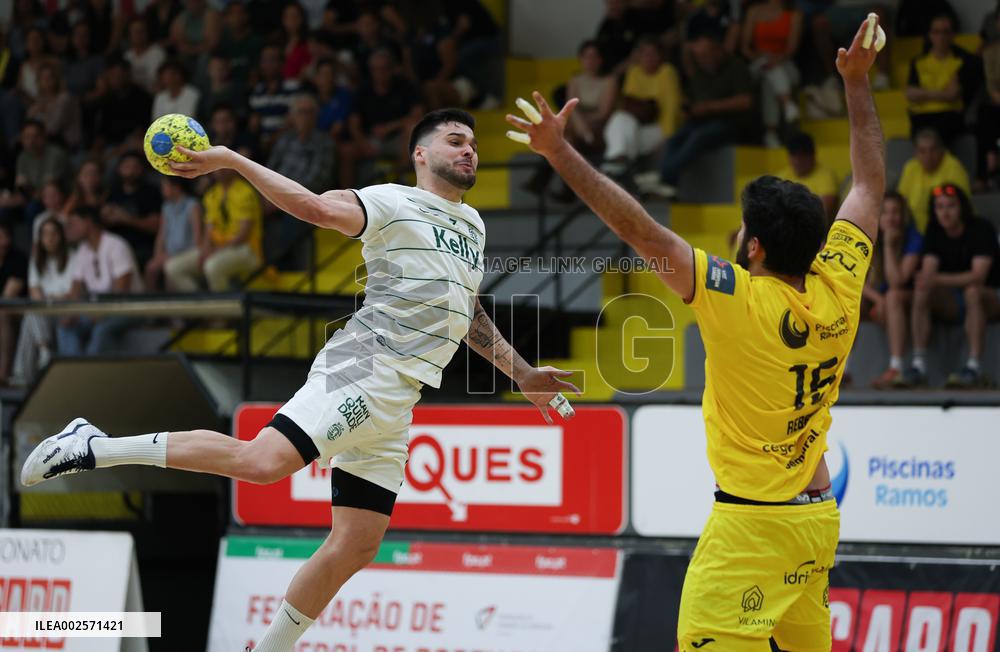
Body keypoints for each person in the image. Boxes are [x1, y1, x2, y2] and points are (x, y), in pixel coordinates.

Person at [21, 108, 579, 652]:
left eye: (473, 144)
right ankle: (93, 445)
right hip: (365, 365)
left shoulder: (473, 225)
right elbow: (313, 208)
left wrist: (524, 373)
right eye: (456, 140)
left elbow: (467, 312)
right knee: (262, 463)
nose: (469, 150)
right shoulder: (391, 200)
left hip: (400, 397)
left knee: (357, 543)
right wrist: (233, 160)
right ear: (422, 154)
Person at [507, 14, 884, 650]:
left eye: (742, 229)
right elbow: (871, 181)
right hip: (816, 521)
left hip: (752, 529)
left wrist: (559, 152)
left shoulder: (737, 298)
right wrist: (856, 85)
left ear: (756, 247)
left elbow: (641, 230)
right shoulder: (840, 280)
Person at [900, 184, 1000, 389]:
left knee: (972, 292)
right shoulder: (934, 230)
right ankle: (919, 365)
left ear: (962, 207)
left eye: (950, 206)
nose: (945, 212)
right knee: (921, 290)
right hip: (955, 300)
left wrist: (937, 279)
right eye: (940, 207)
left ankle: (974, 367)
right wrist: (932, 280)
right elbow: (928, 274)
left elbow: (978, 277)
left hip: (990, 297)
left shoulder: (981, 228)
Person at [637, 32, 754, 199]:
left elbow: (745, 101)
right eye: (699, 57)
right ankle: (665, 180)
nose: (703, 60)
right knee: (674, 139)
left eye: (706, 55)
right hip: (701, 120)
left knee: (698, 136)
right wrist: (689, 108)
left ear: (717, 50)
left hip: (731, 123)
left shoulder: (736, 66)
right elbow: (693, 96)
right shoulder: (700, 69)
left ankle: (665, 178)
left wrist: (709, 107)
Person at [55, 205, 142, 356]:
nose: (69, 229)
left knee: (102, 329)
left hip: (130, 308)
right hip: (97, 310)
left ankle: (90, 375)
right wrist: (72, 314)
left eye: (74, 224)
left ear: (88, 222)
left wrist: (101, 313)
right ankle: (75, 372)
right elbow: (75, 291)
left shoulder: (116, 245)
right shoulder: (83, 250)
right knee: (66, 327)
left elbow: (121, 292)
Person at [164, 168, 261, 292]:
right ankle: (200, 305)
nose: (220, 171)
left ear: (234, 168)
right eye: (217, 167)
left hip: (247, 250)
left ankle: (222, 309)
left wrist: (214, 251)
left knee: (212, 266)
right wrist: (205, 250)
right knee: (172, 267)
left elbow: (242, 235)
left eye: (224, 167)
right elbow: (209, 230)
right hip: (218, 249)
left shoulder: (245, 192)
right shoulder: (211, 195)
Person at [338, 49, 423, 188]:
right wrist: (362, 142)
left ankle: (399, 181)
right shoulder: (363, 90)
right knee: (345, 151)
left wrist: (390, 127)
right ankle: (346, 195)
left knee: (412, 128)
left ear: (392, 69)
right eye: (376, 69)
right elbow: (354, 123)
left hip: (398, 140)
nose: (380, 73)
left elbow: (417, 116)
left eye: (384, 69)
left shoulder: (405, 86)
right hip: (371, 141)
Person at [865, 192, 924, 389]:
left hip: (913, 299)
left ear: (903, 216)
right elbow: (856, 282)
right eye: (886, 213)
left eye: (896, 212)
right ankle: (842, 369)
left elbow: (898, 281)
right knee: (849, 300)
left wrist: (889, 246)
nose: (891, 218)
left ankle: (896, 366)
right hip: (884, 301)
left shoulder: (913, 237)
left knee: (893, 295)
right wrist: (878, 300)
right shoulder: (871, 238)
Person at [601, 38, 680, 176]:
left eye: (653, 54)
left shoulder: (667, 72)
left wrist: (668, 138)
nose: (648, 58)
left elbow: (672, 109)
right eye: (644, 54)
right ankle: (620, 161)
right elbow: (628, 106)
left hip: (661, 128)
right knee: (619, 118)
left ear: (661, 56)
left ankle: (620, 165)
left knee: (623, 140)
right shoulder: (634, 72)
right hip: (638, 127)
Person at [12, 216, 74, 385]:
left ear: (61, 236)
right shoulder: (36, 260)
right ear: (40, 238)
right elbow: (34, 292)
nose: (50, 238)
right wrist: (48, 300)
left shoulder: (73, 257)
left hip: (65, 311)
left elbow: (72, 294)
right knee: (32, 313)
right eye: (45, 234)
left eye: (54, 233)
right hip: (44, 311)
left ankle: (23, 375)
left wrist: (50, 299)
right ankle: (44, 351)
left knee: (30, 317)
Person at [741, 0, 803, 148]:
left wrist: (776, 59)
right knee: (768, 69)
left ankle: (771, 133)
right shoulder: (754, 11)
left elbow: (791, 48)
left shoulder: (795, 15)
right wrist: (760, 58)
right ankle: (787, 103)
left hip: (783, 63)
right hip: (758, 62)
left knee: (771, 78)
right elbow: (745, 47)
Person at [905, 13, 975, 143]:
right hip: (921, 116)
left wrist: (924, 94)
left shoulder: (962, 61)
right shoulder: (918, 62)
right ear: (930, 35)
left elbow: (953, 95)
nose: (941, 37)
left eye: (945, 32)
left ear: (953, 35)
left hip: (949, 114)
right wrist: (942, 94)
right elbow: (910, 93)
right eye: (936, 32)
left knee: (937, 138)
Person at [897, 127, 970, 232]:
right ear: (916, 153)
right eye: (922, 151)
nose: (928, 156)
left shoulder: (954, 167)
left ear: (942, 150)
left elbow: (962, 208)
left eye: (933, 150)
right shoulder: (910, 168)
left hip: (948, 231)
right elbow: (901, 202)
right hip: (916, 231)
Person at [103, 151, 162, 269]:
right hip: (115, 246)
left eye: (135, 166)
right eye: (127, 166)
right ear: (119, 169)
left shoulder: (151, 192)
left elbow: (156, 225)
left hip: (142, 247)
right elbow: (103, 220)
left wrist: (127, 219)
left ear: (142, 170)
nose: (131, 170)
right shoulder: (112, 192)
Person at [146, 176, 201, 291]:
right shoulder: (166, 207)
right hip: (170, 253)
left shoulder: (192, 205)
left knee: (168, 267)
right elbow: (161, 235)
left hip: (187, 252)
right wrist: (158, 255)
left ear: (176, 187)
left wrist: (177, 256)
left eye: (164, 186)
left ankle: (172, 303)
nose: (162, 190)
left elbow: (197, 237)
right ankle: (152, 302)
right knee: (151, 268)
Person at [776, 131, 838, 221]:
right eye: (794, 155)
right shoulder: (782, 176)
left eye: (803, 156)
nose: (798, 161)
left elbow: (822, 213)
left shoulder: (826, 176)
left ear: (813, 155)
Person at [0, 221, 28, 384]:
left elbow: (8, 296)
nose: (3, 242)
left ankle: (3, 375)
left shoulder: (17, 259)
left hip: (16, 310)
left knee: (2, 314)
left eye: (5, 237)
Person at [124, 16, 167, 95]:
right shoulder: (127, 56)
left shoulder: (158, 53)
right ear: (129, 35)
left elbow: (163, 82)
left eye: (142, 31)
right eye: (136, 32)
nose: (139, 35)